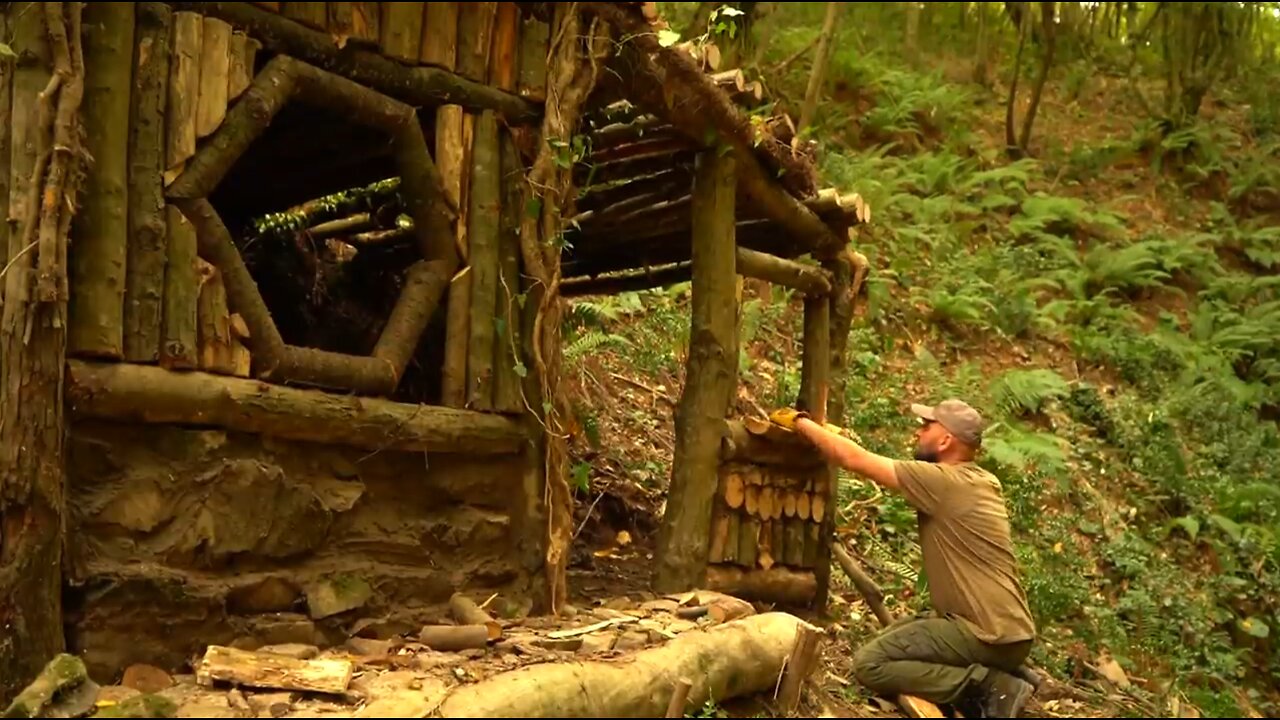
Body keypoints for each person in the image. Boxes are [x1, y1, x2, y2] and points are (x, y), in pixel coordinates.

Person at [771, 398, 1038, 718]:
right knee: (892, 639)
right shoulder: (981, 481)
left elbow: (853, 459)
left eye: (927, 427)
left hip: (986, 636)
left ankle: (988, 684)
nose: (917, 432)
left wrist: (800, 422)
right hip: (1012, 634)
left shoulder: (941, 481)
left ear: (945, 440)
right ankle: (1006, 671)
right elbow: (867, 457)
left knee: (870, 665)